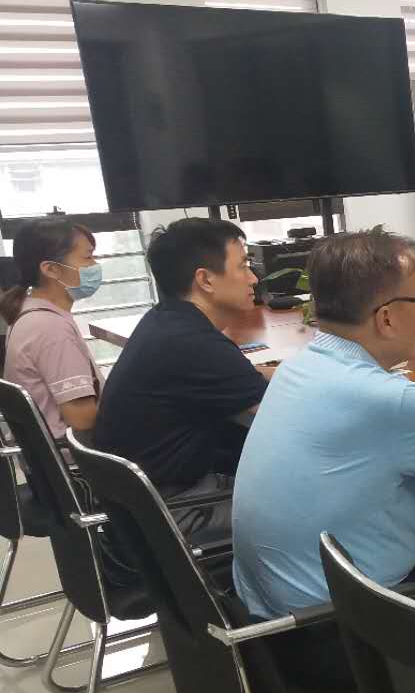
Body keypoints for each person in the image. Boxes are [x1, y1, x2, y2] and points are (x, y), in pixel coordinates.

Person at [232, 228, 415, 688]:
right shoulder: (385, 398)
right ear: (387, 318)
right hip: (340, 631)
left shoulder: (300, 367)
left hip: (271, 620)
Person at [94, 218, 270, 545]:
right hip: (176, 512)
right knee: (318, 504)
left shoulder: (167, 321)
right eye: (243, 266)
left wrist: (288, 372)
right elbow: (281, 414)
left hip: (142, 505)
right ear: (205, 279)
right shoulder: (194, 344)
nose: (253, 278)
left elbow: (248, 379)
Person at [1, 218, 104, 442]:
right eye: (87, 257)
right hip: (77, 456)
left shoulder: (30, 311)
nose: (95, 265)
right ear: (51, 269)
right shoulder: (50, 329)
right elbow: (82, 419)